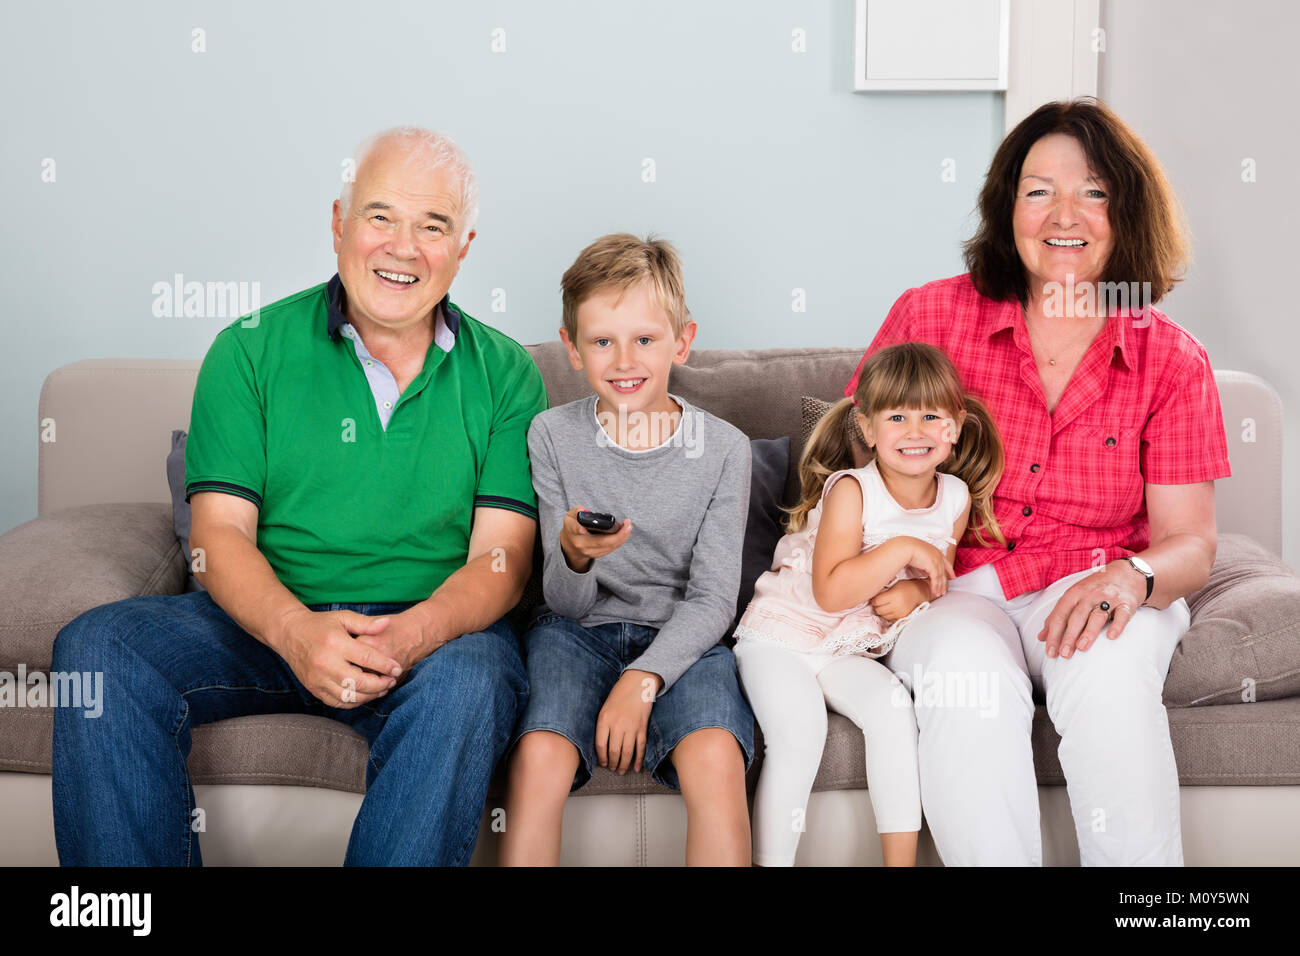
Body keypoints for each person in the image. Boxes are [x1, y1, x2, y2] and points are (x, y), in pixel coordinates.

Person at [50, 126, 548, 866]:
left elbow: (502, 560)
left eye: (433, 226)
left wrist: (412, 634)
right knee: (98, 648)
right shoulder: (249, 348)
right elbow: (218, 536)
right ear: (339, 223)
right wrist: (295, 632)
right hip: (266, 618)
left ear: (463, 247)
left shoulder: (506, 373)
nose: (403, 247)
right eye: (380, 216)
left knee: (476, 679)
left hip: (432, 636)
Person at [844, 98, 1232, 866]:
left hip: (1096, 580)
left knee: (1111, 673)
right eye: (1038, 191)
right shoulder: (930, 317)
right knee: (965, 680)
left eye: (1093, 191)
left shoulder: (1172, 358)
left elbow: (1190, 542)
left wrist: (1131, 578)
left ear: (1128, 211)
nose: (1064, 215)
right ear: (1007, 207)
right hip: (953, 587)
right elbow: (849, 472)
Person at [499, 234, 755, 866]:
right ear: (572, 348)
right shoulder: (551, 434)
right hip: (574, 633)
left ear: (682, 342)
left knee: (717, 756)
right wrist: (576, 555)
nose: (623, 360)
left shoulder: (725, 448)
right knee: (539, 757)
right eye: (601, 341)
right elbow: (564, 601)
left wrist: (644, 678)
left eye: (644, 339)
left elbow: (713, 598)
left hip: (683, 637)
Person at [735, 342, 1005, 866]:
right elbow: (830, 592)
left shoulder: (954, 497)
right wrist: (901, 549)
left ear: (955, 427)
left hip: (845, 647)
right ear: (868, 429)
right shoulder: (852, 490)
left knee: (894, 712)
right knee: (800, 732)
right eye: (897, 418)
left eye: (931, 417)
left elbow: (938, 575)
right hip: (780, 637)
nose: (915, 431)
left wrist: (915, 592)